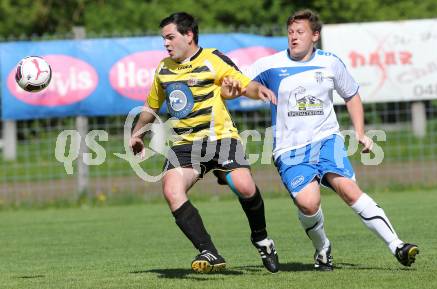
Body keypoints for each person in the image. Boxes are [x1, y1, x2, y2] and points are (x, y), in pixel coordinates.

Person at [221, 9, 419, 271]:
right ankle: (322, 247)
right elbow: (238, 85)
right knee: (308, 203)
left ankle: (397, 245)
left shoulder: (330, 62)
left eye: (300, 32)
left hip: (327, 140)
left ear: (315, 35)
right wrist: (228, 89)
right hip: (289, 149)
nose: (294, 37)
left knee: (349, 190)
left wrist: (360, 132)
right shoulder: (270, 64)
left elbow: (352, 95)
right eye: (290, 32)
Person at [130, 12, 279, 273]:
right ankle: (208, 251)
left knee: (244, 185)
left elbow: (243, 85)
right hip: (186, 144)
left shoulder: (213, 59)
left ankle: (262, 239)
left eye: (170, 37)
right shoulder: (164, 69)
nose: (165, 43)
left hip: (219, 138)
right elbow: (150, 107)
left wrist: (258, 92)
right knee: (171, 189)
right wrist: (137, 134)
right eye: (163, 39)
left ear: (189, 35)